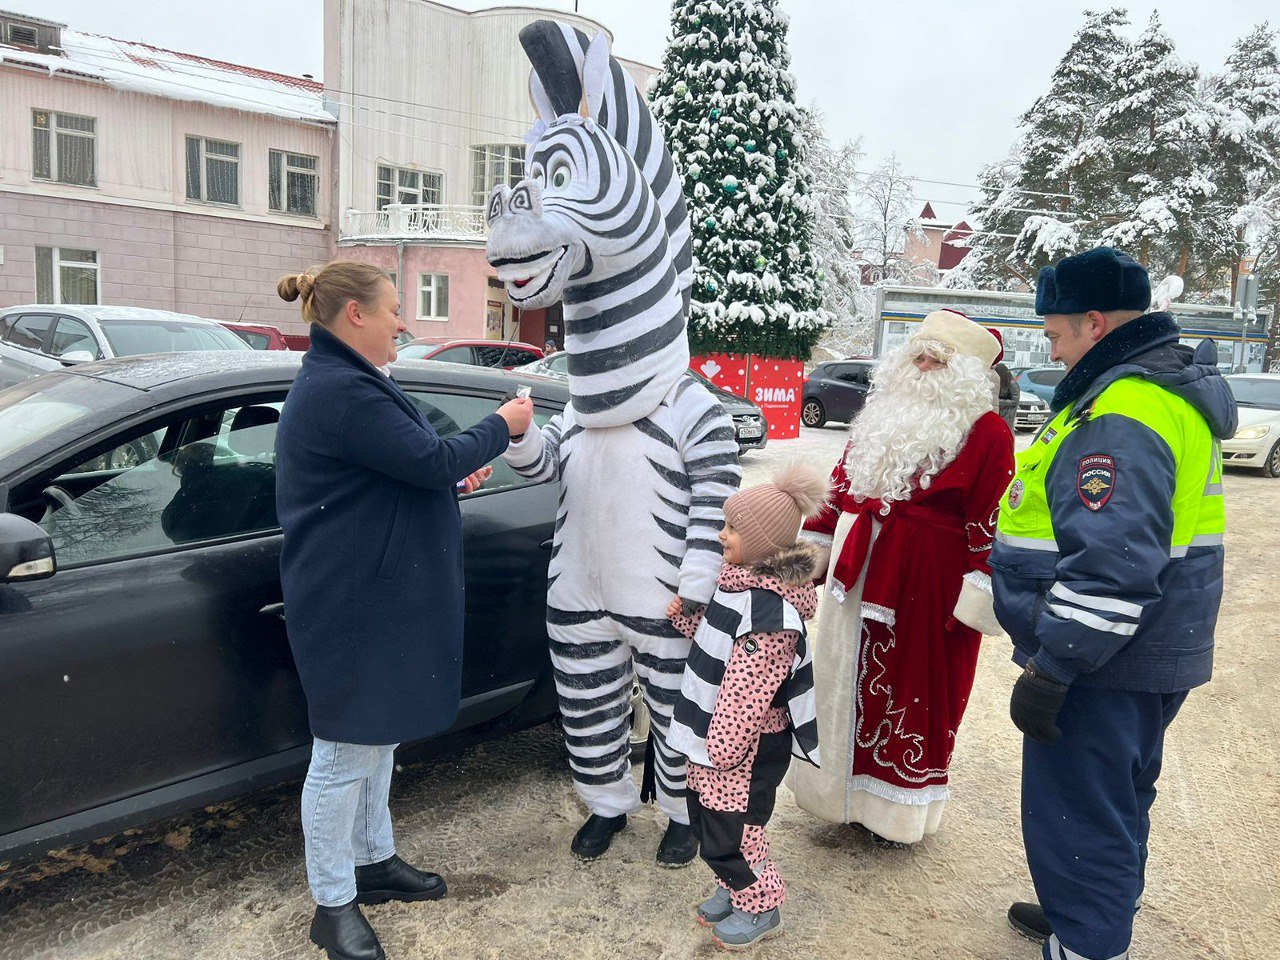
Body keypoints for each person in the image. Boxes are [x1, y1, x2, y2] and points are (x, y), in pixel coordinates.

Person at [273, 261, 533, 960]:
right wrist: (499, 428)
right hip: (352, 602)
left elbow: (403, 468)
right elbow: (421, 460)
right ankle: (332, 905)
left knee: (376, 734)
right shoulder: (342, 388)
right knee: (342, 752)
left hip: (372, 595)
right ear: (355, 314)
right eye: (393, 309)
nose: (403, 323)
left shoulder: (352, 381)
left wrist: (449, 468)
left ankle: (373, 860)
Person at [991, 248, 1235, 960]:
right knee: (1118, 797)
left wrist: (1055, 667)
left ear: (1095, 323)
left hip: (1105, 658)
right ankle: (1092, 908)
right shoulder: (1154, 391)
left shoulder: (1121, 410)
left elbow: (1113, 565)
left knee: (1081, 812)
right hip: (1149, 647)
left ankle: (1090, 941)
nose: (1053, 348)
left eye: (1058, 333)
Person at [787, 309, 1015, 846]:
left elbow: (991, 518)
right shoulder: (879, 412)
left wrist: (978, 591)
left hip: (930, 582)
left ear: (968, 373)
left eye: (940, 357)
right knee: (843, 677)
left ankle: (894, 813)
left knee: (916, 689)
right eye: (920, 350)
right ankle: (838, 797)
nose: (924, 361)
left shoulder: (988, 432)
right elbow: (839, 491)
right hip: (857, 568)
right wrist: (804, 559)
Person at [666, 464, 825, 950]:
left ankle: (762, 903)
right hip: (713, 736)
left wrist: (724, 749)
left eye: (733, 528)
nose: (722, 534)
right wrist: (691, 625)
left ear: (761, 543)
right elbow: (723, 648)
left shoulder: (770, 613)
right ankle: (734, 886)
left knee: (735, 830)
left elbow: (750, 688)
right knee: (710, 816)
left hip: (742, 746)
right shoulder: (737, 585)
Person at [988, 329, 1021, 432]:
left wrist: (998, 401)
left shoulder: (1011, 383)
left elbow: (1015, 400)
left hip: (1008, 414)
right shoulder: (999, 381)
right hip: (1000, 413)